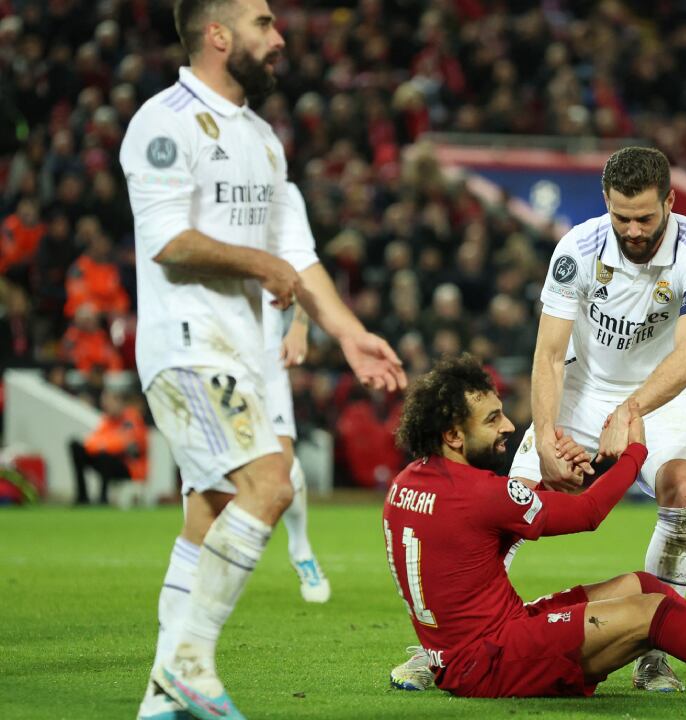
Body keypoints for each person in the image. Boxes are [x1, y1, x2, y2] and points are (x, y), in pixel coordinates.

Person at [122, 2, 405, 718]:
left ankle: (162, 696)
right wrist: (260, 263)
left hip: (240, 352)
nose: (279, 39)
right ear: (218, 35)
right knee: (271, 483)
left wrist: (345, 331)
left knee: (212, 510)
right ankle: (189, 663)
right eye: (263, 23)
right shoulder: (164, 121)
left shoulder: (264, 140)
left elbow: (299, 258)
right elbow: (167, 241)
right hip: (185, 343)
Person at [383, 355, 686, 702]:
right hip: (489, 661)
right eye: (492, 419)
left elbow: (483, 535)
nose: (509, 425)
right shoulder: (479, 494)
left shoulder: (408, 485)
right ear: (452, 434)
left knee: (641, 585)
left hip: (467, 648)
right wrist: (634, 451)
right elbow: (590, 515)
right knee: (651, 613)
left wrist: (559, 487)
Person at [507, 146, 686, 691]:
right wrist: (547, 435)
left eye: (645, 218)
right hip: (583, 388)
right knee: (507, 506)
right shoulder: (578, 247)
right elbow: (550, 356)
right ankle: (453, 639)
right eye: (620, 216)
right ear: (606, 202)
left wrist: (631, 410)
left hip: (662, 393)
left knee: (683, 490)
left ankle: (653, 652)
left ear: (670, 202)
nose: (631, 230)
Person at [261, 184, 329, 604]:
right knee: (204, 473)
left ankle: (300, 549)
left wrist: (299, 323)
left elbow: (303, 267)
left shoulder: (279, 193)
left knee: (284, 466)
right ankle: (194, 565)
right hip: (210, 351)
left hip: (265, 355)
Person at [68, 388, 148, 505]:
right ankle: (82, 497)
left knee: (104, 456)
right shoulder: (108, 419)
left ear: (119, 401)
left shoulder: (131, 418)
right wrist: (105, 444)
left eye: (108, 403)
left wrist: (104, 444)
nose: (105, 406)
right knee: (75, 446)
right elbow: (91, 442)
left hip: (128, 468)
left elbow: (124, 443)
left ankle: (103, 498)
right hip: (107, 460)